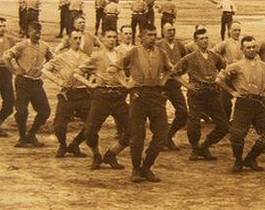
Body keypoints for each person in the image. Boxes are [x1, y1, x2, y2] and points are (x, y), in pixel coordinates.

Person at [216, 36, 265, 172]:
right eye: (248, 47)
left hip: (260, 104)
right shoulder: (236, 66)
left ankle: (250, 159)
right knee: (237, 135)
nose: (251, 50)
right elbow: (219, 80)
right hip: (243, 103)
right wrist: (232, 92)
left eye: (253, 47)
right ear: (242, 49)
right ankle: (238, 160)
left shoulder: (264, 66)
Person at [122, 24, 173, 182]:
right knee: (138, 136)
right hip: (139, 95)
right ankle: (136, 169)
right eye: (149, 35)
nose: (153, 38)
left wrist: (162, 82)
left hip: (156, 95)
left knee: (162, 134)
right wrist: (127, 84)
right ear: (141, 37)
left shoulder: (161, 52)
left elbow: (170, 70)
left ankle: (147, 167)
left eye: (154, 34)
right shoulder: (133, 52)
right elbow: (115, 68)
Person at [170, 27, 229, 161]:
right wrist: (187, 85)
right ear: (196, 42)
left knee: (224, 125)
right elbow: (174, 73)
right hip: (197, 93)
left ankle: (205, 146)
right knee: (194, 124)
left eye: (206, 38)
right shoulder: (189, 58)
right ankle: (195, 149)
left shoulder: (215, 56)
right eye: (201, 39)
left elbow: (225, 69)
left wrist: (219, 79)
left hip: (213, 93)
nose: (204, 41)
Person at [76, 29, 131, 171]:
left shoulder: (123, 55)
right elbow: (77, 73)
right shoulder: (97, 56)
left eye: (114, 37)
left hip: (119, 97)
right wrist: (91, 84)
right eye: (109, 37)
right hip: (101, 97)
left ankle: (112, 154)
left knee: (133, 130)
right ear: (103, 38)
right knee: (90, 131)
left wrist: (127, 84)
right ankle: (96, 156)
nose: (112, 39)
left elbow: (132, 72)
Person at [3, 21, 54, 148]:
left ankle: (31, 135)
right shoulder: (22, 45)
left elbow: (53, 59)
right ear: (28, 32)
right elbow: (6, 56)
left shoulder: (45, 46)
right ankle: (22, 138)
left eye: (39, 31)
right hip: (23, 82)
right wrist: (14, 70)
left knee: (45, 111)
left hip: (36, 83)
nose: (37, 34)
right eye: (34, 31)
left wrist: (46, 68)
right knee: (21, 112)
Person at [42, 31, 90, 158]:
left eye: (80, 38)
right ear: (69, 40)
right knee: (58, 125)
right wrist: (59, 81)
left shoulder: (86, 58)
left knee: (92, 125)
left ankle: (75, 145)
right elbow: (45, 69)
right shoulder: (61, 57)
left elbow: (95, 74)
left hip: (84, 94)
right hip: (68, 94)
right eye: (75, 38)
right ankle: (62, 145)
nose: (78, 41)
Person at [157, 23, 188, 151]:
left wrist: (180, 73)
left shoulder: (180, 45)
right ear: (163, 32)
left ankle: (168, 137)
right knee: (160, 114)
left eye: (173, 30)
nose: (172, 32)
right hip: (162, 85)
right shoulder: (158, 45)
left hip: (175, 85)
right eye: (169, 30)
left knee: (183, 113)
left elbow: (186, 61)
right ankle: (160, 140)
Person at [0, 18, 17, 137]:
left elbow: (18, 53)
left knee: (10, 102)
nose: (2, 28)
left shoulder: (10, 40)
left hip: (6, 72)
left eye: (4, 26)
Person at [212, 21, 243, 120]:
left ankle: (237, 121)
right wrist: (222, 63)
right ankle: (224, 121)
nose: (237, 32)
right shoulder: (225, 43)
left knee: (242, 99)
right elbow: (212, 53)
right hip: (228, 76)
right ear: (229, 31)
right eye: (235, 30)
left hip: (240, 76)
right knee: (225, 100)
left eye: (239, 30)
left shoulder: (242, 43)